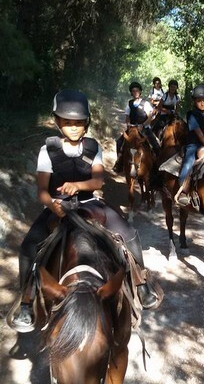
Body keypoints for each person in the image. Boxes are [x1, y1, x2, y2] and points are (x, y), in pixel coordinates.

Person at [11, 89, 159, 333]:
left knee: (129, 233)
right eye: (68, 122)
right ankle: (26, 302)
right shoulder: (46, 151)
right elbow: (42, 191)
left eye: (79, 123)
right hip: (57, 205)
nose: (74, 127)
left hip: (89, 203)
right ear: (58, 122)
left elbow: (98, 181)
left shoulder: (93, 147)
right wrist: (52, 206)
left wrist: (77, 186)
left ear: (86, 124)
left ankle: (140, 282)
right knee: (28, 246)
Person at [112, 81, 159, 173]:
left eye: (137, 90)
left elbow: (150, 116)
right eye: (133, 91)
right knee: (119, 142)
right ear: (131, 93)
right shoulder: (129, 103)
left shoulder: (145, 103)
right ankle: (119, 163)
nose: (135, 93)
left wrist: (143, 124)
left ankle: (157, 168)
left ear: (140, 91)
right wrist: (128, 124)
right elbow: (127, 117)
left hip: (144, 128)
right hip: (133, 128)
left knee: (155, 145)